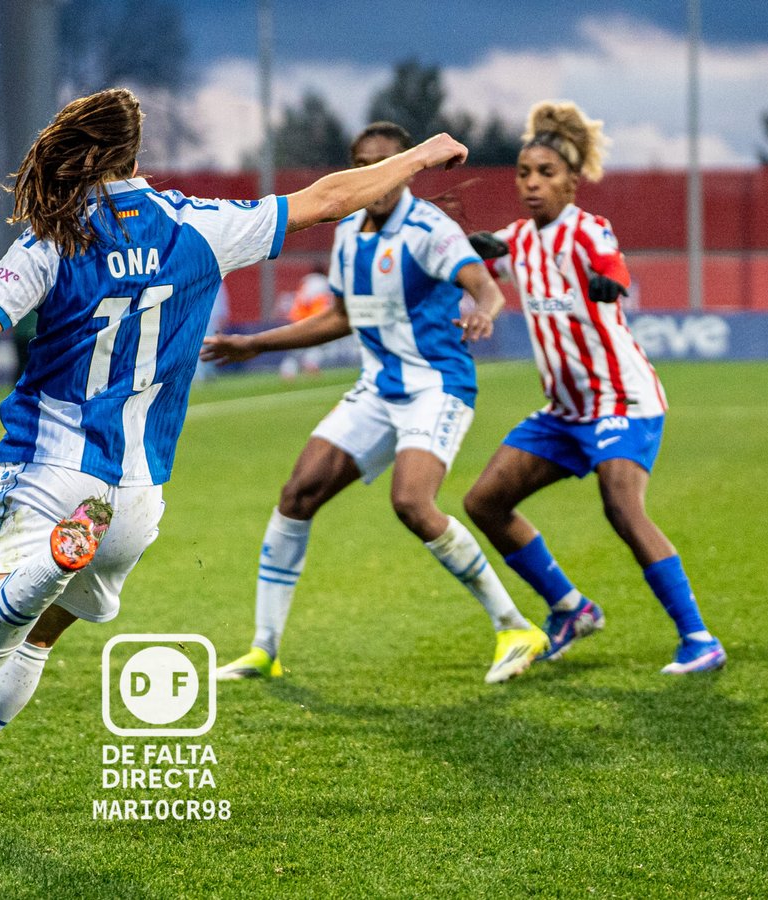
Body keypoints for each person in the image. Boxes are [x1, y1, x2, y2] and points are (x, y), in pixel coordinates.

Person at [0, 88, 469, 814]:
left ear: (78, 150)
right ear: (135, 154)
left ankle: (43, 566)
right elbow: (327, 199)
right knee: (35, 643)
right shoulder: (201, 225)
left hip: (48, 473)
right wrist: (420, 155)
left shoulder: (52, 240)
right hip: (135, 500)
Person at [204, 122, 548, 686]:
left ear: (410, 165)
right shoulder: (349, 233)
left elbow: (483, 285)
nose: (378, 175)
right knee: (298, 495)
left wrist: (486, 305)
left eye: (389, 162)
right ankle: (264, 648)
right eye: (366, 163)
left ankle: (515, 626)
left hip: (435, 386)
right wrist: (254, 343)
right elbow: (339, 318)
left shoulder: (428, 229)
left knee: (412, 503)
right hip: (377, 390)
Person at [460, 101, 725, 675]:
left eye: (546, 174)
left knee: (622, 507)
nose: (532, 184)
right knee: (484, 502)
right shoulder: (519, 239)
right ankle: (571, 607)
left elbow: (614, 265)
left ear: (573, 184)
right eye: (524, 174)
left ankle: (699, 639)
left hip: (622, 400)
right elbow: (487, 253)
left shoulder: (588, 230)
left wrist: (611, 283)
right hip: (565, 412)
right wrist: (455, 244)